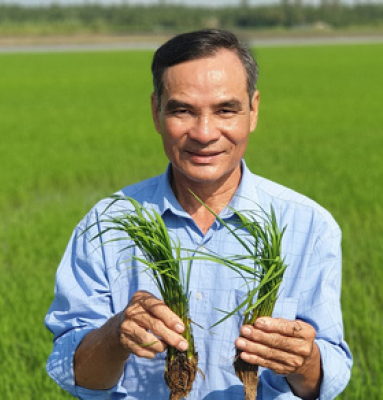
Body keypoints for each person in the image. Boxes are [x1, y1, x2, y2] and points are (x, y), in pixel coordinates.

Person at [45, 29, 352, 399]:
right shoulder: (108, 223)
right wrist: (115, 335)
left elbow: (326, 376)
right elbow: (75, 374)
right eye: (182, 110)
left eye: (225, 110)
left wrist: (305, 361)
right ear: (156, 112)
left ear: (253, 110)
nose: (205, 133)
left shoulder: (308, 225)